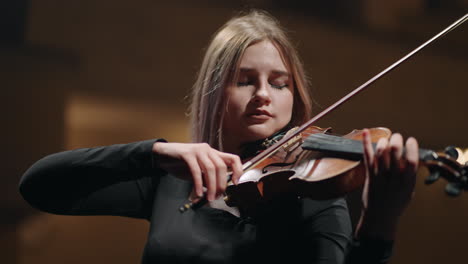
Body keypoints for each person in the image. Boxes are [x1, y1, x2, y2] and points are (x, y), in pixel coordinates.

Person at [19, 10, 418, 264]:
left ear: (294, 98)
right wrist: (153, 152)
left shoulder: (313, 192)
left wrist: (379, 222)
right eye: (245, 81)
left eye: (280, 84)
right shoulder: (172, 180)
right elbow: (40, 186)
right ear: (214, 92)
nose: (263, 94)